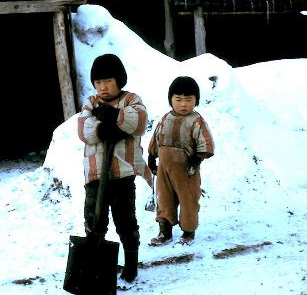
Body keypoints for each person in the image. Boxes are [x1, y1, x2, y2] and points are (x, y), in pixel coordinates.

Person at [77, 53, 149, 283]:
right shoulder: (91, 103)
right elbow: (84, 130)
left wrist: (115, 116)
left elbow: (139, 121)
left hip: (122, 175)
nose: (103, 87)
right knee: (94, 221)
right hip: (96, 175)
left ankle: (131, 265)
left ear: (119, 80)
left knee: (126, 222)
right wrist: (104, 129)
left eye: (108, 81)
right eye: (98, 82)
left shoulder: (131, 100)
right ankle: (95, 265)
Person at [147, 76, 215, 246]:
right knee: (164, 199)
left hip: (187, 170)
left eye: (188, 100)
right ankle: (165, 231)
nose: (183, 104)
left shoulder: (196, 121)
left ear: (196, 101)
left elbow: (206, 144)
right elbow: (156, 138)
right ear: (171, 100)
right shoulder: (165, 119)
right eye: (178, 99)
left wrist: (196, 159)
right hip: (164, 169)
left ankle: (188, 232)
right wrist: (151, 156)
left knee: (188, 199)